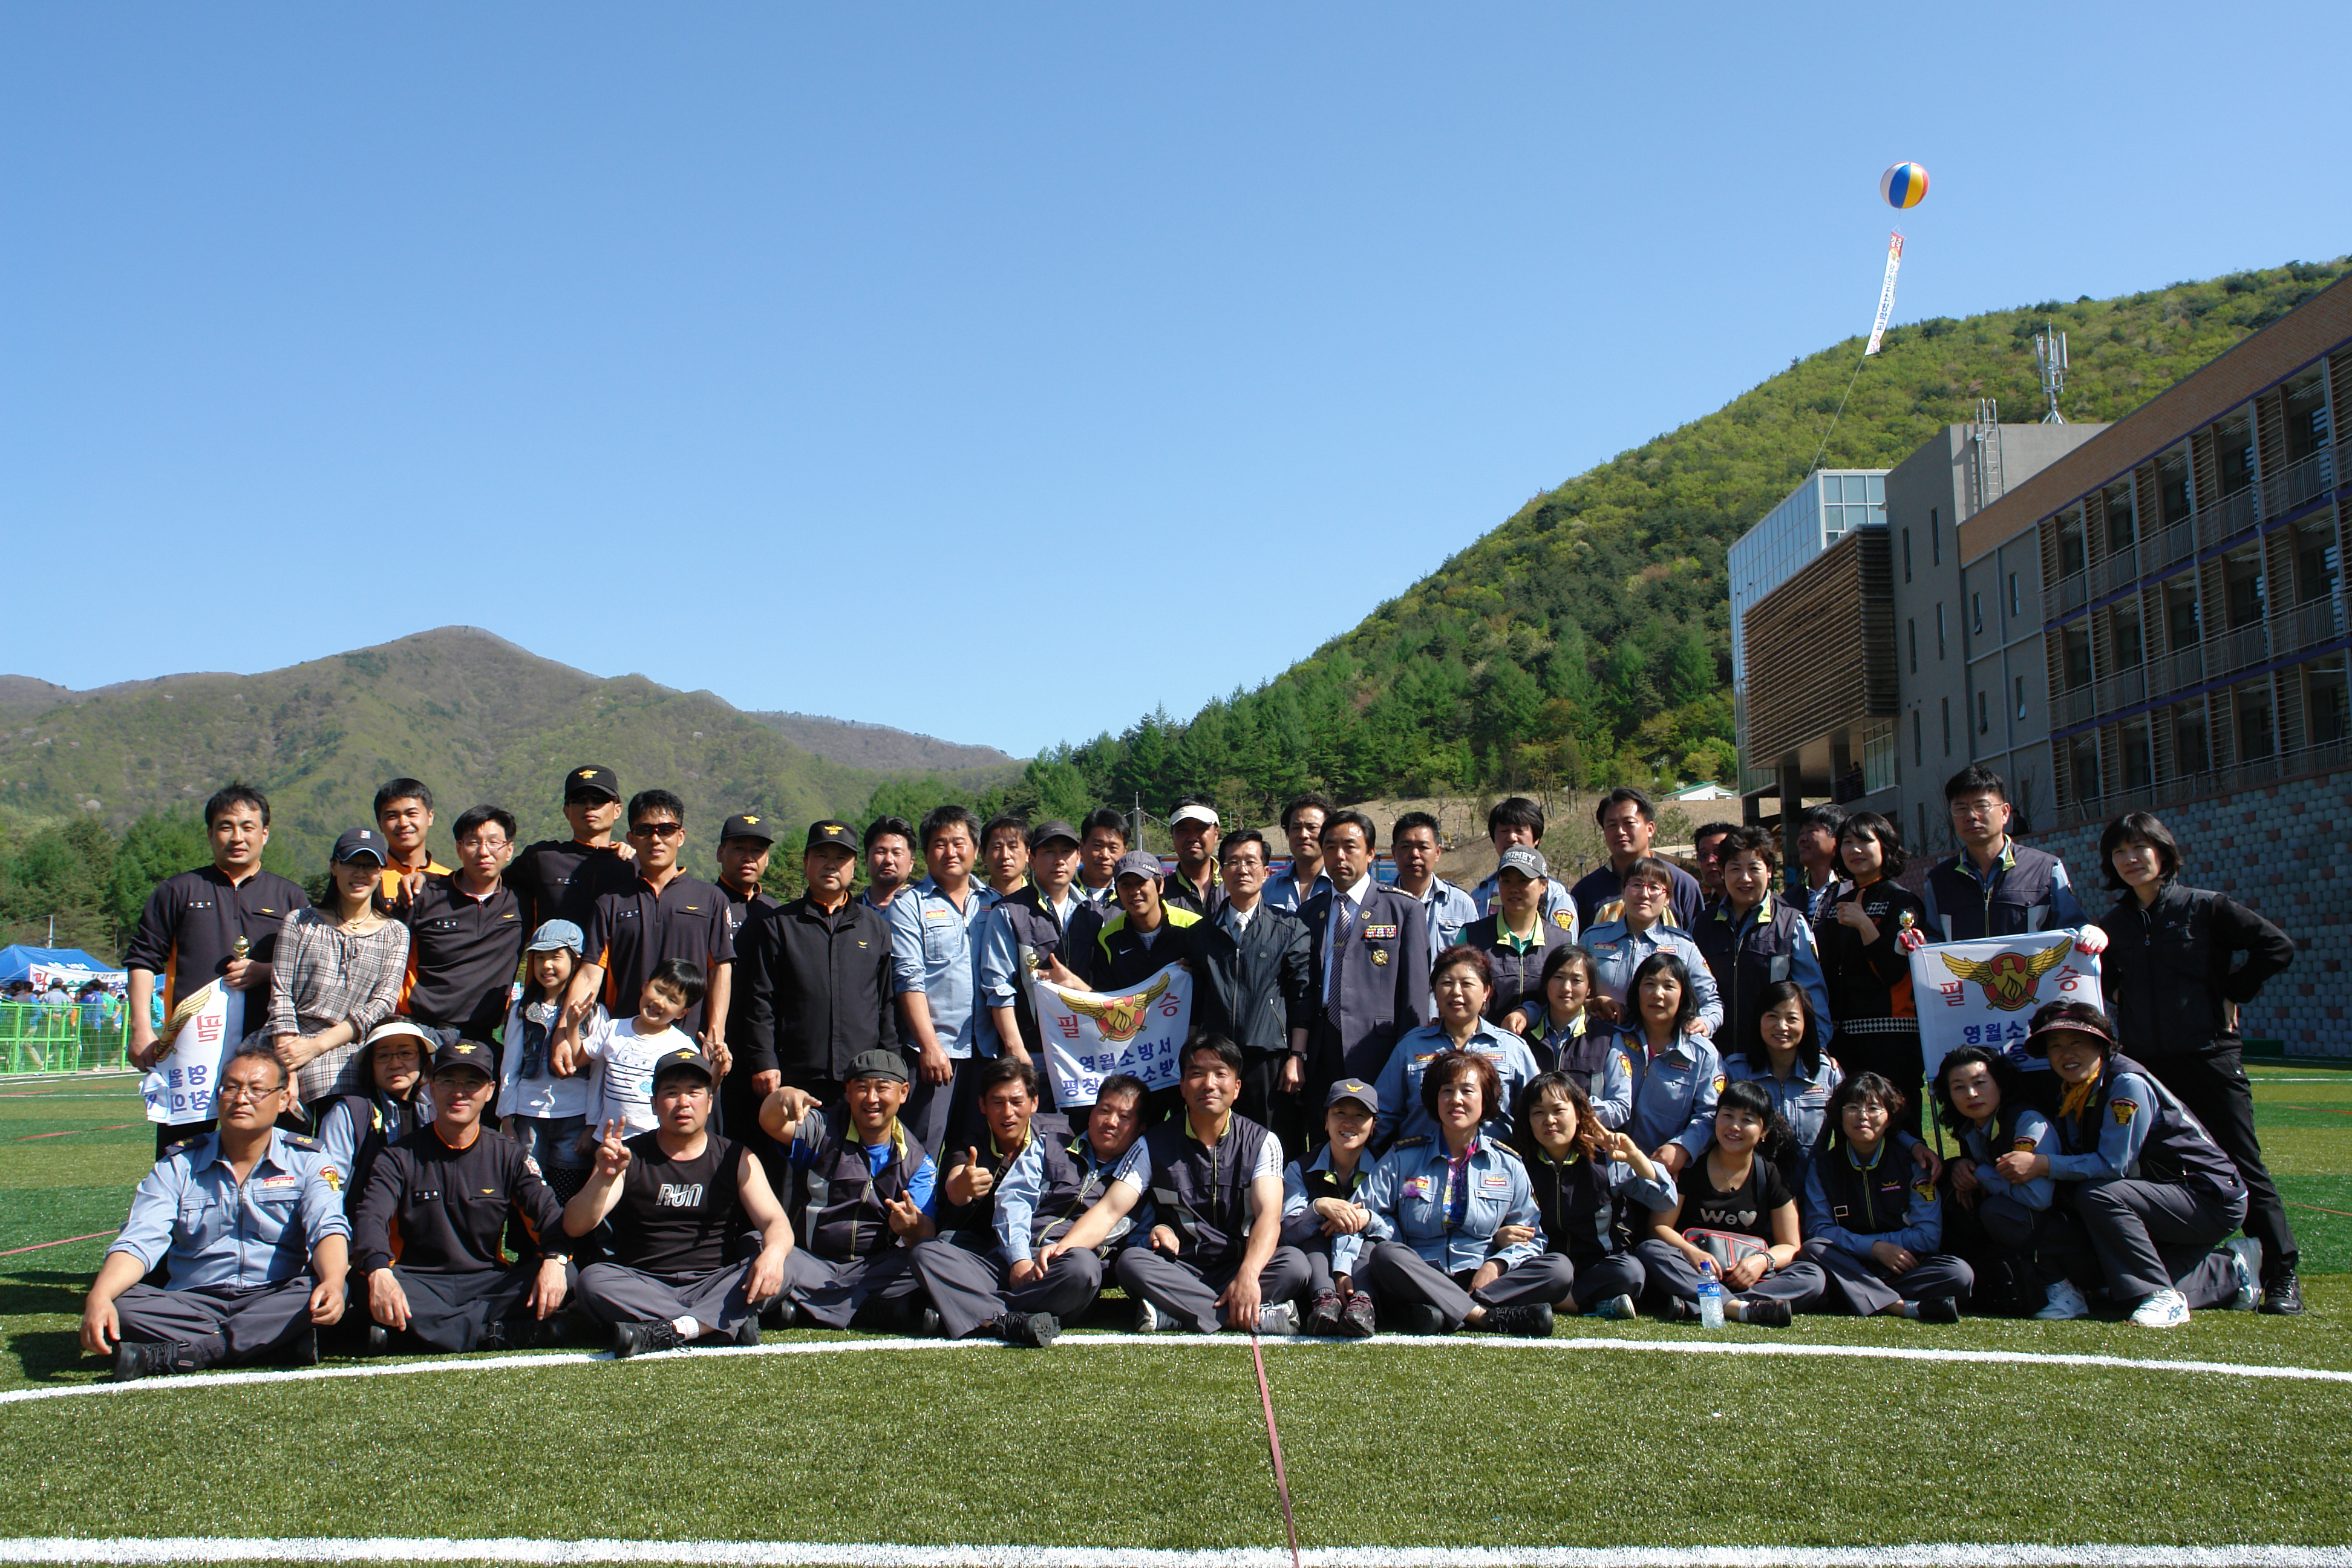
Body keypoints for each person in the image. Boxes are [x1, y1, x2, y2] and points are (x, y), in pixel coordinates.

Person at [2097, 811, 2301, 1315]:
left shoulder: (2207, 907)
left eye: (2139, 848)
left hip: (2209, 1057)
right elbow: (2102, 977)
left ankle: (2281, 1275)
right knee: (2156, 1170)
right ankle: (2189, 1273)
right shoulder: (2112, 925)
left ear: (2163, 852)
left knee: (2242, 1163)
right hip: (2147, 1070)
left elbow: (2276, 947)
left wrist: (2232, 991)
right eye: (2119, 852)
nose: (2130, 859)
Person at [80, 1044, 348, 1381]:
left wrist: (334, 1281)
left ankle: (192, 1352)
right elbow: (140, 1238)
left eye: (257, 1090)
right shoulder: (178, 1165)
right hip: (193, 1302)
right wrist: (100, 1295)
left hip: (275, 1295)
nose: (241, 1099)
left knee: (326, 1289)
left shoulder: (309, 1160)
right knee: (124, 1305)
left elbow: (327, 1227)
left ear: (283, 1100)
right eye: (231, 1088)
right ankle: (270, 1344)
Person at [2011, 1001, 2252, 1328]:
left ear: (2102, 1045)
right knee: (2115, 1288)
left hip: (2207, 1196)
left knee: (2099, 1195)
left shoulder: (2126, 1083)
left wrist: (2042, 1164)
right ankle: (2235, 1268)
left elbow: (2113, 1166)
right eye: (2055, 1046)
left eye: (2077, 1042)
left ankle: (2160, 1295)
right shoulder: (2074, 1090)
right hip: (2161, 1195)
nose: (2066, 1054)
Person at [564, 1047, 795, 1357]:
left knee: (786, 1263)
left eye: (694, 1092)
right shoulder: (626, 1157)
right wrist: (604, 1179)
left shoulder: (736, 1156)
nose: (683, 1102)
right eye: (671, 1093)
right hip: (645, 1284)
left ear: (710, 1102)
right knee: (592, 1281)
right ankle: (720, 1323)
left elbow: (775, 1222)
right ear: (654, 1104)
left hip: (716, 1282)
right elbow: (575, 1226)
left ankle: (673, 1330)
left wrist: (775, 1254)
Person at [351, 1037, 575, 1353]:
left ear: (490, 1091)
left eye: (472, 1083)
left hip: (487, 1283)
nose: (459, 1092)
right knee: (361, 1281)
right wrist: (378, 1271)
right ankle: (494, 1334)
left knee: (569, 1274)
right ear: (431, 1086)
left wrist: (554, 1260)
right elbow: (370, 1218)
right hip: (419, 1282)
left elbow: (549, 1215)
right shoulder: (397, 1156)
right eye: (448, 1081)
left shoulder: (510, 1155)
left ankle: (413, 1335)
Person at [125, 783, 311, 1151]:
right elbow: (143, 959)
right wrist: (141, 1029)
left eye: (247, 827)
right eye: (226, 827)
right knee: (183, 1154)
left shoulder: (291, 896)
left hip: (267, 1049)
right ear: (210, 834)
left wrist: (264, 971)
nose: (237, 837)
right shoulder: (178, 890)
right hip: (192, 1052)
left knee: (270, 1156)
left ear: (265, 833)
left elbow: (306, 969)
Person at [1356, 1049, 1561, 1336]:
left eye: (1467, 1090)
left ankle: (1440, 1310)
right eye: (1447, 1091)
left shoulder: (1508, 1164)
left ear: (1486, 1100)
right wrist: (1392, 1232)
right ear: (1435, 1099)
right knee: (1386, 1255)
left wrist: (1498, 1264)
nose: (1456, 1100)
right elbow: (1363, 1209)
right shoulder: (1403, 1157)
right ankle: (1483, 1316)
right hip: (1419, 1272)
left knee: (1559, 1270)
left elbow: (1533, 1237)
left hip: (1484, 1279)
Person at [1116, 1035, 1308, 1334]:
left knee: (1295, 1265)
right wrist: (1063, 1248)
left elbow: (1269, 1217)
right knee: (1131, 1262)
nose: (1209, 1084)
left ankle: (1178, 1314)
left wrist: (1248, 1274)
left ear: (1237, 1088)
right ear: (1182, 1086)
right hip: (1182, 1268)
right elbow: (1110, 1209)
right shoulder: (1152, 1143)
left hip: (1243, 1265)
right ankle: (1245, 1317)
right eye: (1197, 1074)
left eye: (1220, 1074)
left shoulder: (1263, 1142)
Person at [910, 1059, 1102, 1347]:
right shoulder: (969, 1144)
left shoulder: (1062, 1137)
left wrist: (1027, 1258)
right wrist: (963, 1185)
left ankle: (975, 1310)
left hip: (1044, 1256)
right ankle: (1013, 1318)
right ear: (982, 1105)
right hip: (989, 1260)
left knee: (1082, 1268)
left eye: (1017, 1102)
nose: (1008, 1113)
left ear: (1034, 1103)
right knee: (927, 1253)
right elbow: (955, 1187)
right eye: (997, 1103)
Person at [560, 790, 736, 1070]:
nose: (656, 839)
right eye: (645, 831)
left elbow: (720, 970)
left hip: (689, 1049)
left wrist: (717, 1032)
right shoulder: (611, 903)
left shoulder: (710, 899)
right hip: (623, 1050)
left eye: (666, 830)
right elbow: (591, 973)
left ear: (681, 836)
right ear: (631, 838)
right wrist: (563, 1032)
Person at [739, 821, 900, 1124]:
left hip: (860, 1077)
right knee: (795, 1151)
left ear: (855, 865)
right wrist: (764, 1060)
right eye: (822, 856)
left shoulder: (875, 927)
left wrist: (891, 1065)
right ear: (806, 862)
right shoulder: (779, 925)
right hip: (795, 1075)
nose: (831, 865)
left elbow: (885, 1003)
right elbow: (761, 1000)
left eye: (841, 858)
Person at [766, 1048, 938, 1331]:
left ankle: (803, 1310)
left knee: (929, 1259)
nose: (871, 1098)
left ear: (904, 1093)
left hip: (872, 1269)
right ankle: (873, 1311)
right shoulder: (821, 1129)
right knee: (759, 1246)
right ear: (848, 1092)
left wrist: (911, 1226)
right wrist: (781, 1097)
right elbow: (771, 1123)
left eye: (882, 1088)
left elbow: (925, 1231)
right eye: (861, 1088)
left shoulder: (918, 1161)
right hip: (811, 1263)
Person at [1637, 1078, 1826, 1326]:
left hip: (1750, 1278)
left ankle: (1701, 1304)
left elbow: (1790, 1246)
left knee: (1813, 1277)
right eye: (1727, 1116)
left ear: (1764, 1132)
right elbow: (1659, 1228)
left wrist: (1761, 1261)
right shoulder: (1692, 1166)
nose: (1734, 1127)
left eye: (1747, 1120)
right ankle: (1739, 1308)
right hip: (1695, 1271)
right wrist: (1692, 1252)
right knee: (1650, 1250)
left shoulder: (1771, 1174)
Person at [1182, 830, 1316, 1155]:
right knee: (1217, 1144)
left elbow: (1301, 998)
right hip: (1216, 1059)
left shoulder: (1290, 929)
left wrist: (1296, 1058)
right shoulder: (1201, 934)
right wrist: (1190, 1056)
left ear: (1266, 872)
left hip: (1269, 1059)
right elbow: (1195, 1000)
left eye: (1250, 862)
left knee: (1274, 1146)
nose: (1242, 869)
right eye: (1233, 862)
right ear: (1222, 871)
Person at [1800, 1073, 1972, 1320]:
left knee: (1958, 1274)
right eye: (1853, 1108)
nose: (1862, 1116)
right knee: (1814, 1249)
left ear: (1890, 1117)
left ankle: (1855, 1293)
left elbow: (1928, 1236)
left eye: (1873, 1108)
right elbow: (1819, 1230)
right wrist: (1874, 1249)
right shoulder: (1822, 1166)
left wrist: (1889, 1250)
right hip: (1849, 1261)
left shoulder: (1912, 1164)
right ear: (1840, 1114)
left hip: (1901, 1266)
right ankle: (1897, 1305)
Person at [1509, 1071, 1673, 1321]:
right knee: (1557, 1269)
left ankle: (1559, 1299)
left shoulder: (1607, 1160)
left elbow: (1665, 1201)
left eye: (1559, 1110)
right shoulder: (1517, 1163)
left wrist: (1636, 1158)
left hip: (1599, 1265)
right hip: (1546, 1265)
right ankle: (1586, 1305)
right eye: (1538, 1113)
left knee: (1631, 1273)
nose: (1549, 1120)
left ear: (1578, 1114)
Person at [268, 827, 411, 1112]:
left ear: (381, 872)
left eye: (370, 866)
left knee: (342, 1103)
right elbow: (281, 993)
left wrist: (316, 1047)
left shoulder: (395, 933)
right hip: (286, 1040)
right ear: (334, 866)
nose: (360, 873)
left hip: (347, 1045)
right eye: (351, 863)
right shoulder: (299, 922)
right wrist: (289, 1064)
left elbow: (381, 1004)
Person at [887, 806, 1001, 1156]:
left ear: (976, 850)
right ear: (925, 853)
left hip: (987, 1052)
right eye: (940, 844)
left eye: (959, 843)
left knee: (974, 1152)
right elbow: (908, 979)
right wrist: (929, 1045)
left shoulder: (995, 903)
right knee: (921, 1151)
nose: (950, 852)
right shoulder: (908, 906)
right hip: (936, 1055)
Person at [1933, 1045, 2077, 1321]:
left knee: (1997, 1210)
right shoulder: (1972, 1127)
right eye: (1959, 1087)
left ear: (2000, 1083)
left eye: (1979, 1083)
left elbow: (2037, 1198)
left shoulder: (2027, 1122)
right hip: (2031, 1230)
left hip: (2067, 1230)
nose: (1971, 1094)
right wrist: (1959, 1166)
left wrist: (1981, 1175)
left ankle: (2064, 1288)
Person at [1302, 811, 1429, 1102]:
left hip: (1377, 1047)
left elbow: (1415, 996)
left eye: (1350, 847)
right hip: (1321, 1046)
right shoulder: (1309, 912)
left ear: (1371, 853)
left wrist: (1413, 1054)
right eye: (1331, 847)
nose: (1340, 856)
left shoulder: (1403, 909)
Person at [1818, 813, 1929, 1131]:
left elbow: (1893, 971)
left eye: (1865, 841)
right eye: (1847, 842)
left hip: (1892, 1038)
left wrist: (1865, 924)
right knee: (1851, 1127)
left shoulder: (1903, 902)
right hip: (1844, 1039)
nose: (1855, 850)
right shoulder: (1835, 903)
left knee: (1898, 1127)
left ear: (1886, 846)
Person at [1371, 946, 1538, 1151]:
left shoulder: (1512, 1048)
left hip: (1493, 1167)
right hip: (1421, 1165)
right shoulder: (1411, 1046)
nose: (1456, 992)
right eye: (1447, 983)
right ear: (1434, 991)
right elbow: (1383, 1114)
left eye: (1467, 984)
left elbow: (1537, 1110)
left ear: (1486, 991)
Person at [1693, 826, 1829, 1070]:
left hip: (1772, 1063)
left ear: (1769, 870)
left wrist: (1817, 1051)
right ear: (1723, 872)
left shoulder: (1791, 925)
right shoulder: (1701, 926)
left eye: (1754, 868)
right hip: (1712, 1060)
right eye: (1735, 869)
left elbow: (1813, 998)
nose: (1745, 878)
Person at [399, 804, 525, 1051]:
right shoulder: (424, 896)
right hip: (422, 1032)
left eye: (494, 843)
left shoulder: (522, 903)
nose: (484, 852)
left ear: (509, 850)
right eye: (473, 842)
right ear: (459, 848)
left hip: (481, 1039)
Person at [497, 921, 601, 1203]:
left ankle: (563, 1234)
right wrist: (507, 1119)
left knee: (566, 1192)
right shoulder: (522, 1010)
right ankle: (531, 1235)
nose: (546, 966)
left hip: (575, 1116)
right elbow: (510, 1066)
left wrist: (592, 1125)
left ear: (575, 961)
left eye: (556, 957)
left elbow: (598, 1073)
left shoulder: (594, 1013)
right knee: (528, 1188)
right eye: (539, 958)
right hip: (529, 1116)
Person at [978, 820, 1089, 1067]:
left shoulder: (1093, 912)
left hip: (1087, 1049)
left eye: (1066, 852)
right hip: (1034, 1052)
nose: (1059, 860)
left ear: (1079, 857)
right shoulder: (1009, 912)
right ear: (1032, 859)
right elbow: (999, 988)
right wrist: (1016, 1048)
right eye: (1049, 852)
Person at [1282, 1079, 1381, 1338]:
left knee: (1375, 1239)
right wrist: (1319, 1207)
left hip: (1363, 1270)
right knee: (1312, 1235)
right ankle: (1324, 1300)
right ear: (1326, 1121)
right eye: (1340, 1113)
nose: (1349, 1123)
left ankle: (1362, 1303)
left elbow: (1399, 1230)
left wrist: (1368, 1219)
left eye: (1360, 1116)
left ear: (1373, 1126)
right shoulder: (1300, 1168)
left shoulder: (1385, 1168)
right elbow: (1286, 1232)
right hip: (1319, 1269)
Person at [1723, 980, 1843, 1193]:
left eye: (1792, 1019)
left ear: (1806, 1024)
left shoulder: (1827, 1074)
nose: (1782, 1026)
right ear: (1759, 1020)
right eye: (1772, 1016)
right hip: (1751, 1195)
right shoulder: (1735, 1072)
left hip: (1813, 1194)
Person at [1581, 857, 1722, 1036]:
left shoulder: (1683, 946)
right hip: (1600, 1042)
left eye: (1654, 887)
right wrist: (1592, 1004)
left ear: (1667, 898)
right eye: (1637, 885)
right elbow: (1567, 993)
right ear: (1623, 891)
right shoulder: (1593, 938)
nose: (1644, 894)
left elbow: (1711, 1002)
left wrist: (1704, 1023)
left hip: (1659, 1047)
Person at [1615, 952, 1723, 1177]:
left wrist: (1683, 1147)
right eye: (1649, 984)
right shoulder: (1613, 1039)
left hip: (1667, 1173)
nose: (1658, 994)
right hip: (1611, 1166)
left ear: (1683, 995)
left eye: (1669, 986)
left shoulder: (1702, 1055)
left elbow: (1710, 1114)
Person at [316, 1019, 437, 1217]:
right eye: (383, 1056)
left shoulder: (435, 1108)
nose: (395, 1064)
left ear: (422, 1060)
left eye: (406, 1053)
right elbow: (330, 1184)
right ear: (370, 1065)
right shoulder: (349, 1112)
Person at [573, 959, 705, 1138]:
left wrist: (718, 1069)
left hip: (654, 1141)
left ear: (682, 1012)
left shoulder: (682, 1046)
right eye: (659, 990)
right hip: (608, 1138)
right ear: (645, 986)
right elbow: (576, 1059)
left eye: (672, 1000)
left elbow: (700, 1090)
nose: (660, 1002)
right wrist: (572, 1026)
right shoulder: (613, 1029)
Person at [508, 765, 638, 936]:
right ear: (566, 811)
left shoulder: (632, 865)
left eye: (599, 799)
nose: (589, 806)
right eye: (579, 799)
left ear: (617, 810)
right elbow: (492, 889)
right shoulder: (543, 858)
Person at [1064, 848, 1204, 995]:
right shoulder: (1107, 938)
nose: (1134, 891)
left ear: (1160, 885)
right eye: (1126, 884)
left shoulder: (1195, 928)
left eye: (1141, 882)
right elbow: (1105, 997)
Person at [1461, 846, 1570, 1033]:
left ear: (1544, 886)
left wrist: (1529, 1013)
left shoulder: (1561, 941)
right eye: (1506, 881)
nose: (1513, 889)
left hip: (1544, 1045)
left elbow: (1568, 998)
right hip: (1482, 1043)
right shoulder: (1472, 935)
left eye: (1523, 881)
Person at [1567, 789, 1704, 933]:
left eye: (1629, 823)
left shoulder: (1682, 884)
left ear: (1650, 829)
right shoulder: (1586, 891)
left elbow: (1698, 941)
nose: (1620, 831)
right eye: (1612, 825)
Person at [1526, 944, 1631, 1129]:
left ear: (1589, 989)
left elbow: (1621, 1106)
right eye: (1559, 977)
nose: (1566, 988)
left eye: (1576, 980)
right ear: (1546, 982)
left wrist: (1573, 1112)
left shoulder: (1607, 1039)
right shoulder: (1525, 1038)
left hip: (1587, 1143)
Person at [1390, 809, 1480, 969]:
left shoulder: (1461, 904)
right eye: (1406, 847)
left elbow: (1474, 963)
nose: (1414, 854)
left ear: (1438, 853)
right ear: (1393, 852)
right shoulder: (1377, 903)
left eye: (1423, 847)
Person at [1471, 797, 1578, 927]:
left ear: (1537, 838)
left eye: (1520, 830)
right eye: (1504, 831)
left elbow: (1563, 939)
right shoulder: (1480, 893)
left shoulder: (1555, 895)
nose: (1512, 837)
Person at [373, 778, 451, 910]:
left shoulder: (450, 881)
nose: (403, 823)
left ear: (430, 817)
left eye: (412, 814)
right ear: (380, 824)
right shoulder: (371, 879)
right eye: (392, 816)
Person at [1264, 794, 1334, 914]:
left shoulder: (1340, 884)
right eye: (1296, 828)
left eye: (1312, 827)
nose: (1303, 835)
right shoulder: (1270, 887)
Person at [1161, 797, 1225, 918]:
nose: (1192, 838)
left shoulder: (1236, 887)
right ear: (1172, 835)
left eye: (1201, 829)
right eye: (1183, 830)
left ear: (1216, 834)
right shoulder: (1159, 893)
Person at [1789, 803, 1848, 925]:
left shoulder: (1853, 892)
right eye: (1801, 834)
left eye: (1811, 831)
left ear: (1838, 838)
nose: (1802, 840)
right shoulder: (1789, 900)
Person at [1073, 807, 1128, 906]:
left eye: (1113, 848)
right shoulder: (1062, 892)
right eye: (1098, 846)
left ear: (1124, 852)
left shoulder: (1130, 897)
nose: (1105, 855)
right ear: (1082, 847)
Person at [862, 815, 920, 911]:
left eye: (897, 853)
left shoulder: (923, 909)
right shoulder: (847, 911)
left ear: (911, 863)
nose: (889, 860)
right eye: (881, 852)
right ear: (867, 859)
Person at [980, 813, 1033, 901]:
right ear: (983, 854)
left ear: (1028, 854)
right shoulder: (972, 903)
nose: (1005, 856)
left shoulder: (1042, 901)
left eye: (1013, 847)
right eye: (997, 847)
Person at [1690, 822, 1737, 904]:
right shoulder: (1706, 912)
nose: (1710, 861)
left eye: (1718, 852)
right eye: (1703, 854)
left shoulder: (1760, 907)